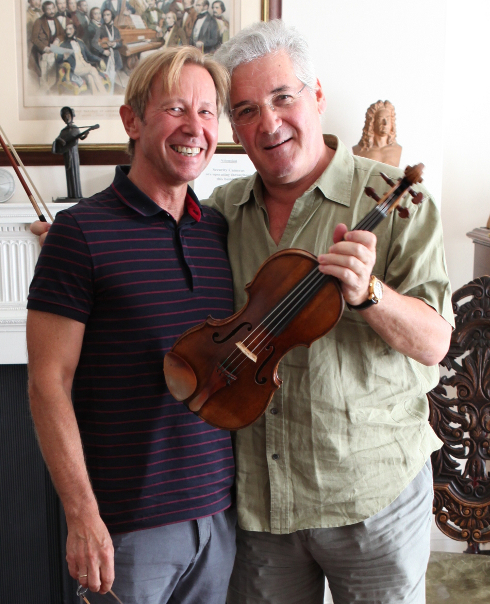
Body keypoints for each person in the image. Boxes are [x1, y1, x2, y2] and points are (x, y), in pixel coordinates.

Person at [206, 20, 453, 604]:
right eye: (245, 110)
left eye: (283, 97)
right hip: (264, 505)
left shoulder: (400, 200)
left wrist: (371, 295)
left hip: (372, 498)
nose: (267, 123)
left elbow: (436, 343)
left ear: (317, 97)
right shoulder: (221, 212)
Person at [27, 46, 236, 604]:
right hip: (127, 529)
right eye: (175, 109)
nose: (195, 127)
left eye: (208, 112)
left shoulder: (219, 232)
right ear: (132, 120)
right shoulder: (80, 233)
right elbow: (48, 383)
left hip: (221, 518)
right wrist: (82, 516)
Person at [51, 106, 95, 199]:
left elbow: (81, 138)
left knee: (75, 172)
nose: (66, 118)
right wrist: (59, 140)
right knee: (69, 173)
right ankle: (71, 195)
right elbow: (58, 140)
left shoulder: (75, 129)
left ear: (71, 115)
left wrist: (86, 134)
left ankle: (76, 194)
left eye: (68, 115)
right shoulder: (63, 131)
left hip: (74, 154)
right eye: (64, 116)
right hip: (66, 154)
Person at [57, 21, 108, 95]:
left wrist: (100, 59)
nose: (68, 31)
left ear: (74, 30)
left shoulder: (80, 42)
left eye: (70, 29)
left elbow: (89, 55)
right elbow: (58, 61)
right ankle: (104, 94)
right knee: (93, 69)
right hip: (75, 69)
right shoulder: (63, 45)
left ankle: (96, 98)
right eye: (67, 29)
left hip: (85, 66)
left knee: (90, 77)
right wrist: (64, 58)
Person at [353, 99, 403, 167]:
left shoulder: (398, 149)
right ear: (372, 122)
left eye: (388, 119)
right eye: (380, 119)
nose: (385, 123)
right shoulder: (358, 150)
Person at [29, 1, 65, 91]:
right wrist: (45, 48)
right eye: (48, 9)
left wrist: (57, 39)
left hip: (54, 49)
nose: (52, 11)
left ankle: (53, 86)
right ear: (44, 10)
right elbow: (34, 38)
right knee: (47, 63)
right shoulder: (39, 21)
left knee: (68, 55)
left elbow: (62, 34)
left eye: (53, 8)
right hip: (41, 51)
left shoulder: (56, 20)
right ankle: (44, 89)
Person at [92, 8, 123, 89]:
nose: (105, 17)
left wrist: (114, 44)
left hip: (114, 58)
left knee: (112, 79)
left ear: (112, 16)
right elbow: (94, 43)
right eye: (104, 15)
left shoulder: (116, 30)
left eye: (108, 15)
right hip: (105, 58)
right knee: (105, 80)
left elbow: (120, 43)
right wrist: (103, 51)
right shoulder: (100, 29)